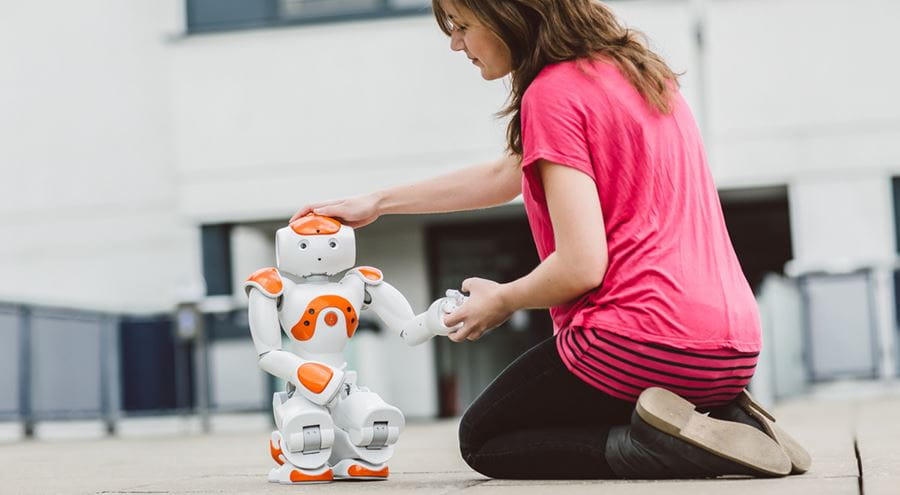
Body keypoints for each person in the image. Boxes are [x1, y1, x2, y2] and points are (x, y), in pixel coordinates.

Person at [292, 0, 810, 480]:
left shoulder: (552, 92)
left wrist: (504, 299)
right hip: (732, 349)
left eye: (463, 25)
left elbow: (582, 266)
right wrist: (378, 203)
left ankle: (666, 444)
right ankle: (721, 414)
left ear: (509, 13)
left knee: (485, 438)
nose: (455, 43)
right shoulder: (639, 74)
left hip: (637, 342)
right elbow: (505, 174)